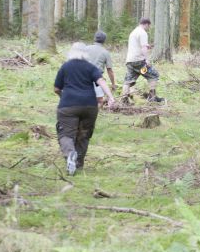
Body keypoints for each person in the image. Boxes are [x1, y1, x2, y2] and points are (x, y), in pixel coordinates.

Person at [54, 42, 115, 175]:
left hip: (68, 105)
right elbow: (101, 81)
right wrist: (110, 97)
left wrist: (62, 97)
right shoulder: (90, 67)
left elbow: (57, 88)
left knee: (65, 134)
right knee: (84, 135)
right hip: (89, 106)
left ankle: (70, 154)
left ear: (71, 52)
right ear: (85, 53)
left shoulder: (65, 66)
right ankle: (78, 164)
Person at [120, 18, 164, 104]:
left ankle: (124, 99)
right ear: (146, 24)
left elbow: (139, 46)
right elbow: (143, 48)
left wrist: (147, 46)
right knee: (154, 75)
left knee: (128, 80)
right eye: (149, 26)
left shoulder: (134, 32)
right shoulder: (143, 33)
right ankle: (152, 97)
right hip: (139, 61)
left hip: (130, 61)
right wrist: (147, 59)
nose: (149, 28)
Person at [85, 31, 117, 108]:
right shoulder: (105, 52)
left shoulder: (85, 48)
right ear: (104, 40)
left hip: (82, 77)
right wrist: (113, 84)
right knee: (99, 101)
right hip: (97, 79)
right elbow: (110, 71)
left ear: (94, 38)